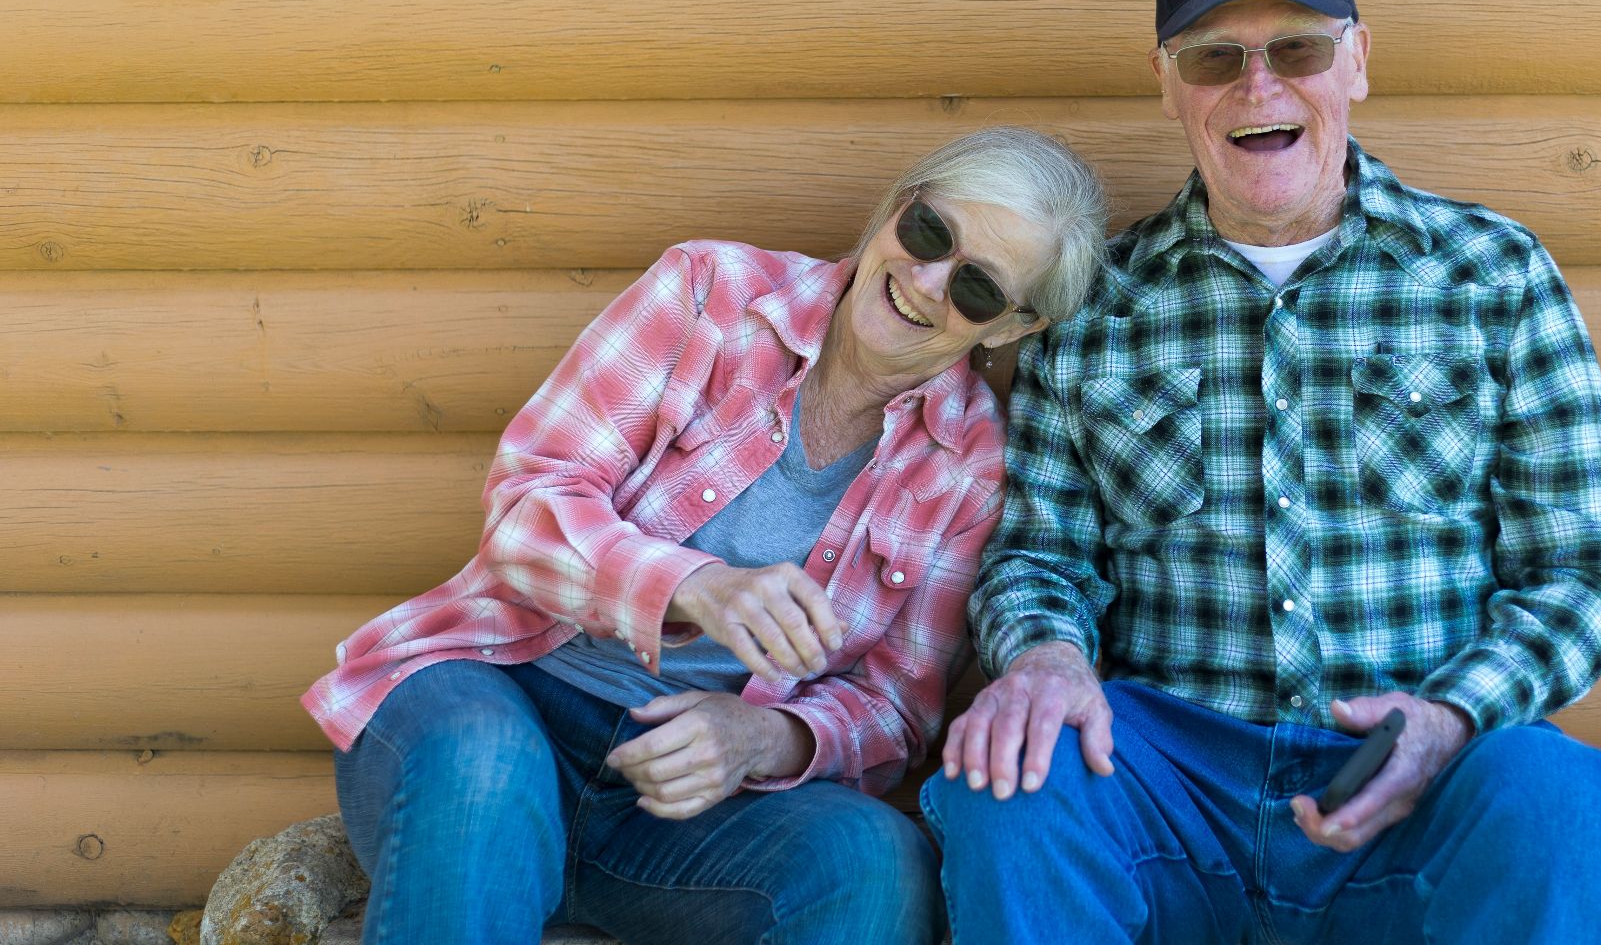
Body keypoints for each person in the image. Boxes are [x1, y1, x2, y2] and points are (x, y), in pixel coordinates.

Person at [922, 0, 1601, 945]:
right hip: (1175, 791)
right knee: (1011, 779)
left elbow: (1584, 571)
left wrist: (1449, 720)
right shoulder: (1098, 306)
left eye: (1297, 48)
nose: (1259, 85)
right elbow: (1039, 553)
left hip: (1421, 791)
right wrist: (1044, 656)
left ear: (1356, 61)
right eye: (1215, 57)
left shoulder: (1493, 276)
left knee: (1556, 793)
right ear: (1167, 83)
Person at [301, 126, 1108, 944]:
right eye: (929, 233)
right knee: (485, 767)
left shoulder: (971, 468)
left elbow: (895, 709)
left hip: (685, 805)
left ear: (1011, 329)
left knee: (875, 862)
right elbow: (528, 506)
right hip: (499, 687)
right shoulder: (710, 294)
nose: (926, 281)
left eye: (976, 288)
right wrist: (695, 586)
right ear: (898, 209)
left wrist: (764, 737)